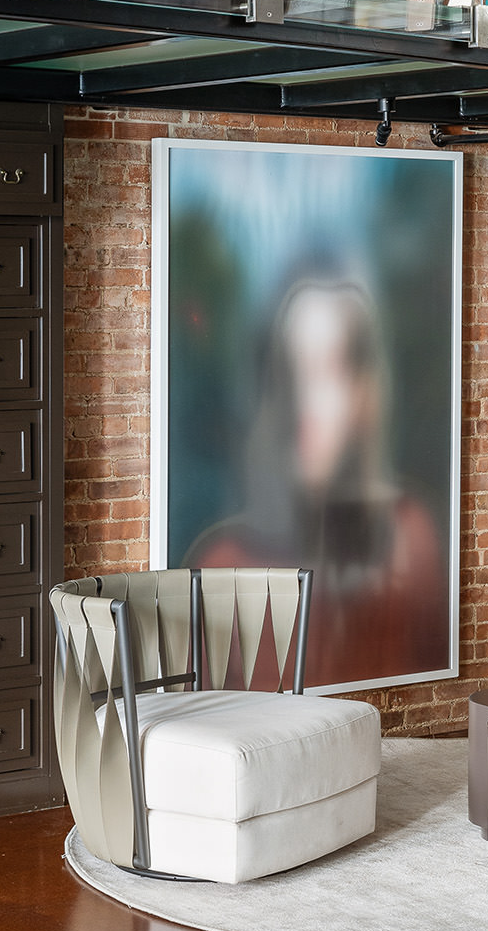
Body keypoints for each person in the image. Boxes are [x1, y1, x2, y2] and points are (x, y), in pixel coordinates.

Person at [183, 273, 449, 687]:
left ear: (364, 393)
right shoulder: (220, 563)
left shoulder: (409, 536)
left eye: (327, 369)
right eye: (291, 369)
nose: (303, 400)